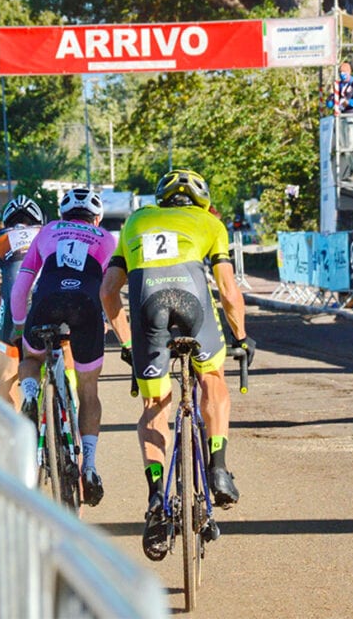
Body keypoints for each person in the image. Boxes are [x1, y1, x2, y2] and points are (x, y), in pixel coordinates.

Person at [100, 168, 255, 562]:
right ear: (200, 198)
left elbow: (108, 291)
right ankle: (218, 467)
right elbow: (228, 291)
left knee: (155, 407)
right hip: (193, 305)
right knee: (213, 378)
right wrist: (240, 338)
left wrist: (129, 342)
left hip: (148, 309)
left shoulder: (136, 220)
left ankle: (156, 499)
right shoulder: (209, 222)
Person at [10, 188, 116, 507]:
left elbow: (21, 285)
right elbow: (110, 289)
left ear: (61, 215)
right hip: (85, 307)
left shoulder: (48, 231)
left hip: (47, 302)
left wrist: (18, 325)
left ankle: (30, 394)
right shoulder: (106, 239)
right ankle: (90, 466)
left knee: (31, 358)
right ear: (96, 218)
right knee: (88, 390)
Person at [0, 196, 43, 409]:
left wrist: (6, 310)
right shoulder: (48, 233)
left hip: (11, 309)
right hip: (50, 304)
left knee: (8, 375)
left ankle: (16, 434)